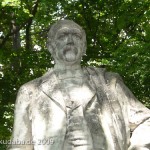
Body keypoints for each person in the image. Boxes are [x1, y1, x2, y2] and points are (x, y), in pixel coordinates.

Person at [8, 20, 150, 150]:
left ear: (84, 46)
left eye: (76, 36)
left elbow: (146, 121)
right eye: (62, 35)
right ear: (50, 46)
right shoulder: (30, 92)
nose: (70, 40)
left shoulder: (109, 84)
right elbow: (19, 146)